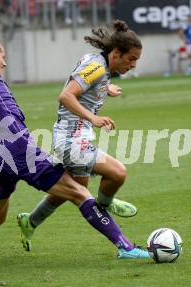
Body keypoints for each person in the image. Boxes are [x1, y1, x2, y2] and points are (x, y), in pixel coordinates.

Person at [0, 14, 150, 267]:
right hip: (20, 150)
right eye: (2, 56)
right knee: (80, 193)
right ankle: (125, 246)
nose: (4, 63)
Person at [17, 20, 145, 254]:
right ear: (116, 52)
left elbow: (89, 83)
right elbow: (66, 95)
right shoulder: (96, 67)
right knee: (117, 173)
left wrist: (106, 89)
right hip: (71, 140)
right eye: (131, 59)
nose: (133, 64)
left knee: (72, 189)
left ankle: (31, 221)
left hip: (74, 136)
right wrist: (94, 118)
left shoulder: (100, 66)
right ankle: (111, 219)